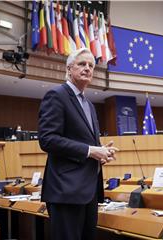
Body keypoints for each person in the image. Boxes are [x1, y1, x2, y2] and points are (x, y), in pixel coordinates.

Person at [38, 48, 118, 240]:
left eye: (91, 65)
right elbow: (47, 139)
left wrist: (102, 153)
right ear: (69, 68)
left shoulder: (89, 104)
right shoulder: (56, 95)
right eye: (82, 64)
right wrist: (91, 151)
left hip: (89, 191)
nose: (87, 68)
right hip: (66, 191)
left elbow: (85, 143)